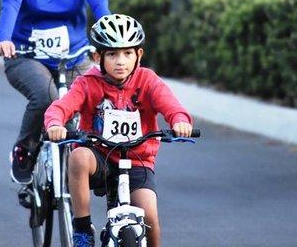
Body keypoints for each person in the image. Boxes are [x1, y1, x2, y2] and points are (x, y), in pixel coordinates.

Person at [45, 14, 194, 247]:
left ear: (139, 55)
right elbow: (61, 107)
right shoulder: (87, 82)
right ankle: (82, 229)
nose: (120, 61)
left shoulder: (148, 81)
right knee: (78, 156)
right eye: (112, 54)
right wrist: (55, 124)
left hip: (137, 161)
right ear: (98, 57)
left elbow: (172, 106)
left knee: (150, 217)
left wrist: (180, 121)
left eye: (127, 53)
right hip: (100, 157)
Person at [0, 0, 110, 185]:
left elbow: (99, 5)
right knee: (47, 97)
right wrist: (4, 38)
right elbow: (10, 4)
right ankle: (25, 149)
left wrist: (107, 42)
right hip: (27, 54)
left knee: (94, 97)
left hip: (74, 54)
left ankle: (92, 156)